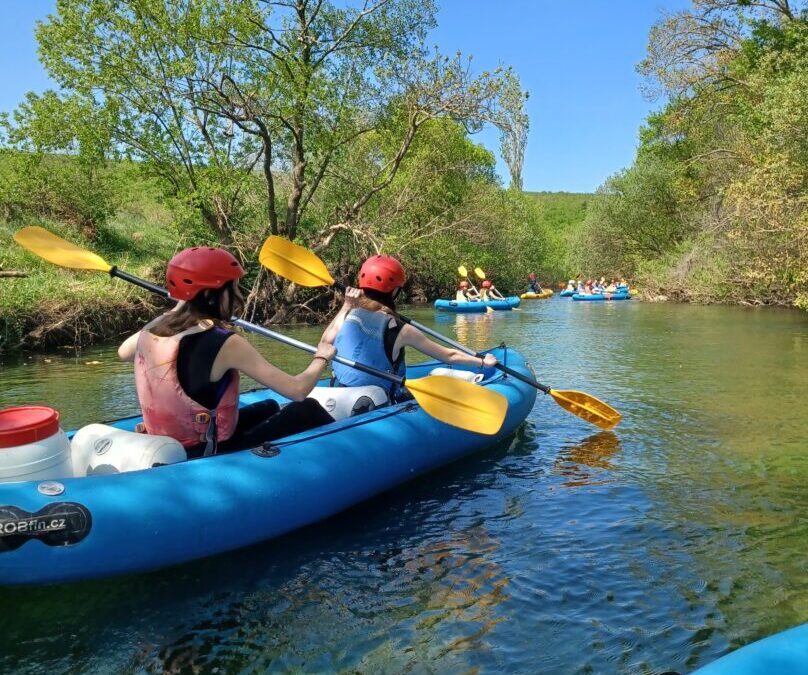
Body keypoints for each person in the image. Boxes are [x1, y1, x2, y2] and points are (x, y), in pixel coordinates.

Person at [118, 246, 336, 458]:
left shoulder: (151, 330)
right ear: (211, 295)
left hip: (169, 444)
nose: (238, 295)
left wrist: (177, 309)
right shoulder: (225, 343)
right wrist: (322, 357)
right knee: (307, 408)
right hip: (207, 452)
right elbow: (297, 390)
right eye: (233, 288)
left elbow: (123, 352)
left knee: (269, 407)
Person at [323, 255, 498, 402]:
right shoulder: (400, 329)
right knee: (437, 375)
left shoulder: (347, 314)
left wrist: (346, 305)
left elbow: (325, 343)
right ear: (393, 291)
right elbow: (449, 355)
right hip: (381, 401)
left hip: (342, 394)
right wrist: (482, 361)